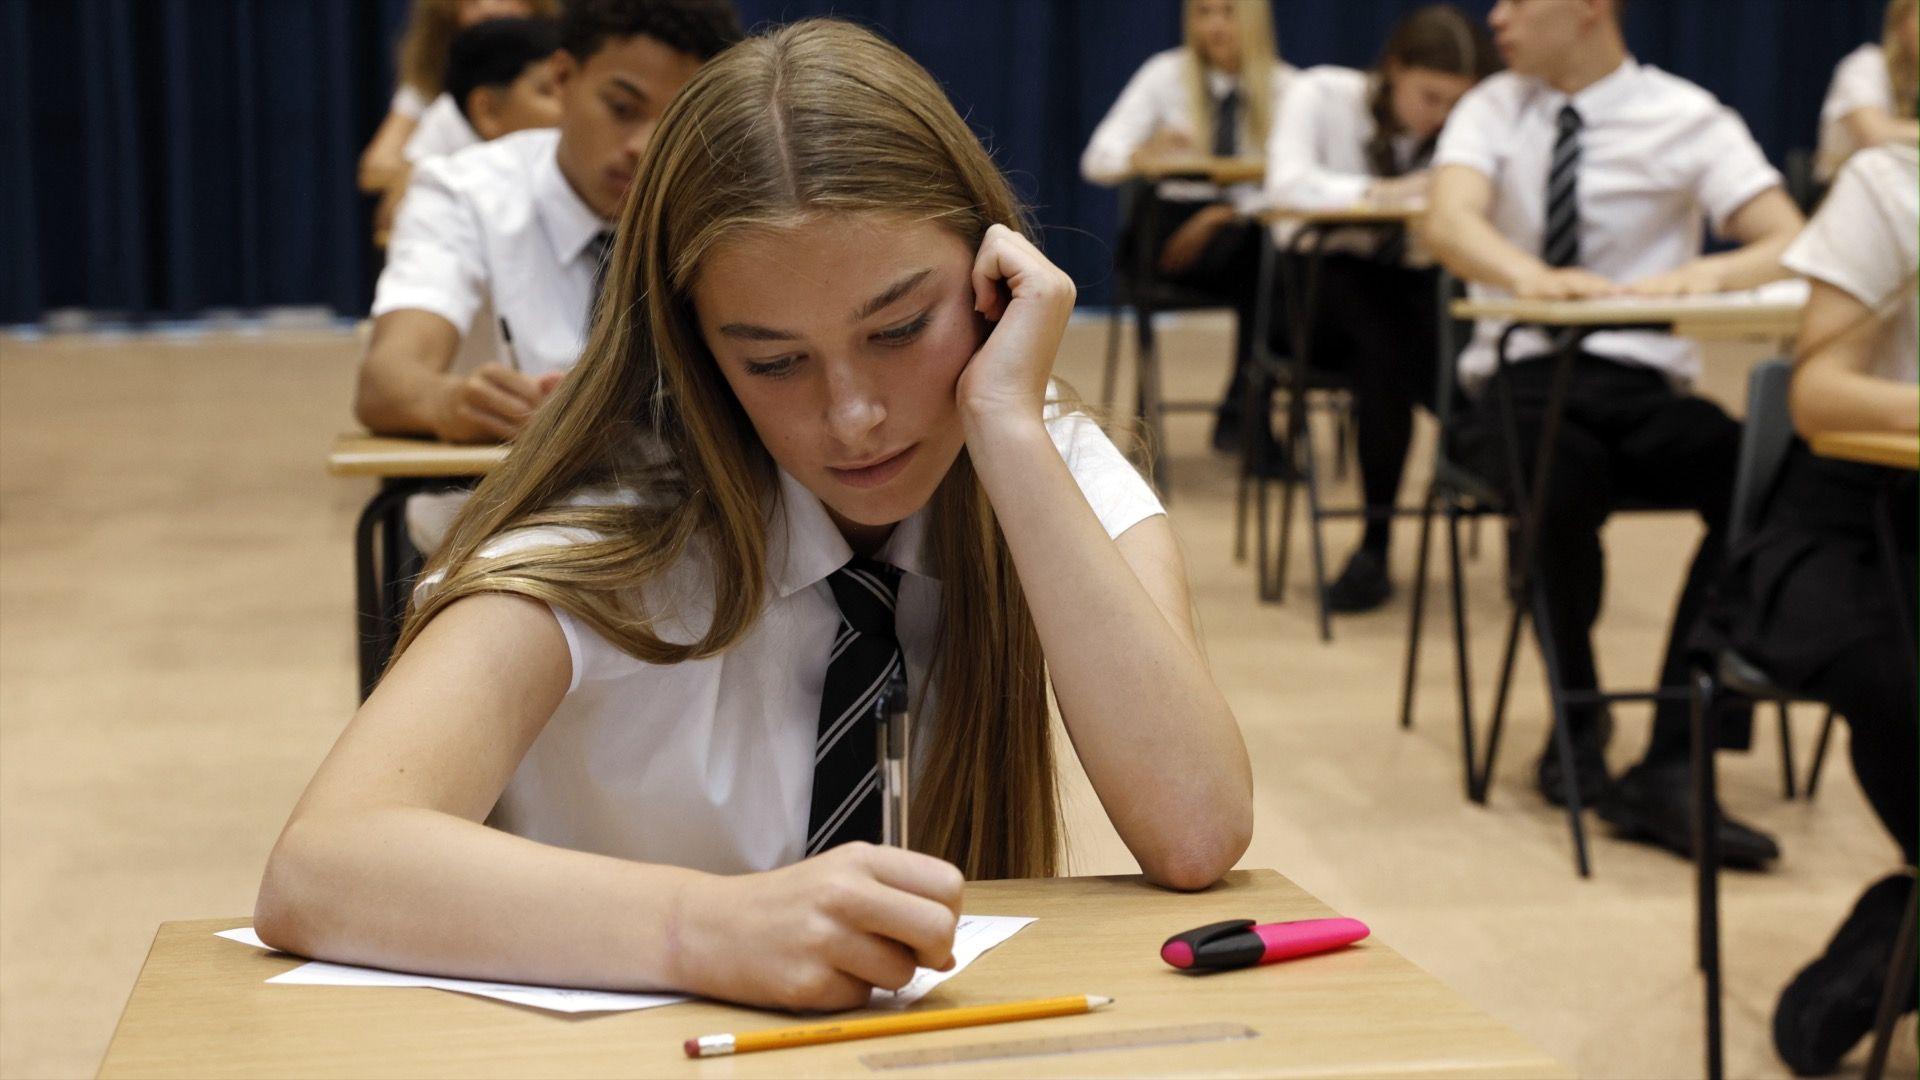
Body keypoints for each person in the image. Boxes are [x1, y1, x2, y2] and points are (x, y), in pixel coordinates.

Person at [255, 19, 1253, 1011]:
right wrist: (707, 928)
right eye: (774, 362)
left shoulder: (1047, 459)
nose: (853, 416)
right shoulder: (611, 520)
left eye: (902, 329)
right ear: (697, 351)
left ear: (996, 279)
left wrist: (1009, 432)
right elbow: (324, 866)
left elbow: (1196, 831)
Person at [1421, 0, 1805, 863]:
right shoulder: (1494, 106)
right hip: (1520, 379)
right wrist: (1534, 278)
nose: (1499, 18)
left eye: (1521, 1)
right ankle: (1578, 721)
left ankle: (1677, 755)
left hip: (1637, 379)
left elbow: (1787, 238)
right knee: (1557, 479)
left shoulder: (1685, 114)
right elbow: (1449, 220)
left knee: (1763, 478)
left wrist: (1708, 273)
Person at [357, 0, 741, 549]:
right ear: (562, 78)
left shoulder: (720, 206)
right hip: (505, 524)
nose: (644, 148)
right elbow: (386, 380)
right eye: (622, 108)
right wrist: (451, 402)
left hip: (682, 527)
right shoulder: (464, 193)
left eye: (675, 123)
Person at [1698, 139, 1916, 1074]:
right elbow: (1821, 397)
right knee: (1901, 678)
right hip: (1859, 522)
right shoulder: (1893, 184)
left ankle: (1901, 933)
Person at [1262, 3, 1498, 612]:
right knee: (1376, 311)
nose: (1441, 118)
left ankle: (1381, 545)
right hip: (1312, 300)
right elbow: (1283, 187)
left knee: (1434, 344)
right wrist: (1378, 193)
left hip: (1406, 304)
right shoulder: (1319, 94)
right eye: (1431, 98)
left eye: (1457, 105)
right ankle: (1477, 466)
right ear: (1393, 70)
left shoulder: (1470, 132)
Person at [1080, 0, 1289, 450]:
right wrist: (1145, 152)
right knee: (1268, 263)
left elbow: (1296, 182)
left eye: (1228, 12)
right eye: (1203, 12)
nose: (1214, 25)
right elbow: (1097, 160)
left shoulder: (1286, 87)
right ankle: (1247, 418)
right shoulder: (1163, 75)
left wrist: (1219, 216)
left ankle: (1245, 406)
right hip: (1169, 237)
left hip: (1243, 232)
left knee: (1274, 258)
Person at [372, 17, 565, 242]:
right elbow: (392, 211)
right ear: (488, 111)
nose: (566, 104)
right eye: (546, 92)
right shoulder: (445, 128)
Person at [359, 0, 557, 197]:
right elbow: (379, 172)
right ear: (485, 109)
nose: (490, 8)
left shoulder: (565, 64)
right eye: (472, 2)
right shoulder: (447, 111)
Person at [1814, 0, 1919, 184]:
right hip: (1845, 192)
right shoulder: (1865, 65)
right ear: (1900, 23)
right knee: (1873, 163)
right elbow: (1874, 135)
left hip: (1905, 192)